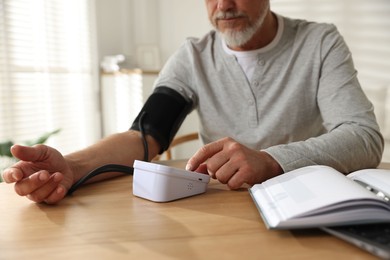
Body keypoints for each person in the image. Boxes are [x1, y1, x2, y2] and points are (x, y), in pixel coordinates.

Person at [1, 0, 384, 204]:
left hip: (307, 200)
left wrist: (269, 159)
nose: (224, 4)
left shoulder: (320, 43)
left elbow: (363, 137)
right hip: (220, 205)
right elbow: (145, 135)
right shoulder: (193, 57)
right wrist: (72, 165)